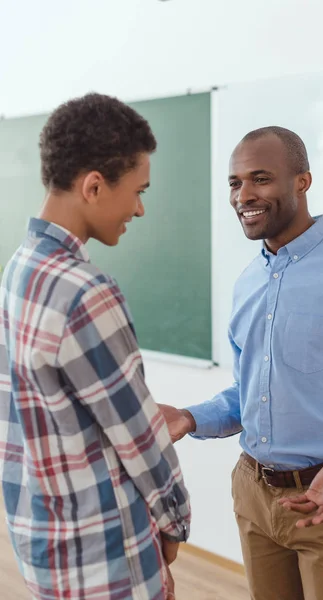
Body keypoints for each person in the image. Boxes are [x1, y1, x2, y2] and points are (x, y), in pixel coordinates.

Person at [159, 126, 323, 600]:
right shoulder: (248, 281)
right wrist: (190, 418)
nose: (243, 195)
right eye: (234, 182)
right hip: (253, 493)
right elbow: (249, 390)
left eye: (260, 179)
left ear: (302, 182)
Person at [0, 93, 190, 600]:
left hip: (42, 543)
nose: (140, 208)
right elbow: (139, 437)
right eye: (137, 191)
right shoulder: (85, 291)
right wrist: (174, 524)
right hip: (103, 553)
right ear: (93, 186)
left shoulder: (18, 270)